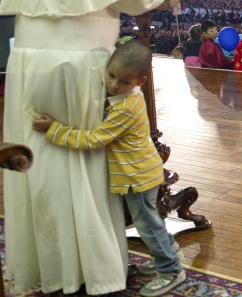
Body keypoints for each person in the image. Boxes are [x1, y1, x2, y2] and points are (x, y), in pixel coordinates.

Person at [0, 0, 177, 295]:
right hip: (78, 65)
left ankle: (52, 266)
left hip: (27, 63)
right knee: (82, 163)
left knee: (41, 166)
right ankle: (94, 269)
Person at [30, 41, 186, 297]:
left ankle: (171, 269)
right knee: (150, 221)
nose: (114, 84)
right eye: (111, 75)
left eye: (123, 82)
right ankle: (169, 253)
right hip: (140, 171)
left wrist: (54, 129)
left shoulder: (125, 107)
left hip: (138, 176)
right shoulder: (123, 97)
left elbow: (94, 140)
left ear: (140, 81)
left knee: (147, 224)